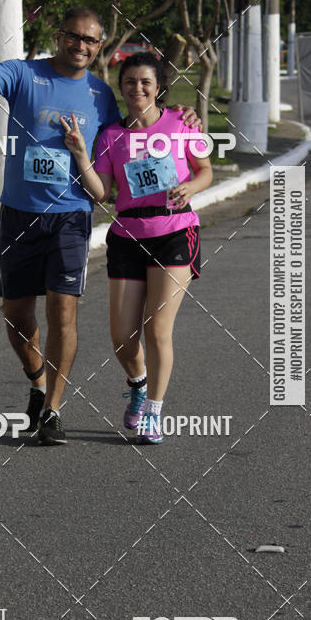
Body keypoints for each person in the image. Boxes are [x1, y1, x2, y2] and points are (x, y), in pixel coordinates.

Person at [0, 10, 200, 446]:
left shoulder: (101, 95)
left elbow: (142, 118)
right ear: (60, 36)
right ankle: (37, 382)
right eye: (74, 37)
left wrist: (181, 118)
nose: (81, 45)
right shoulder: (24, 74)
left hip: (72, 215)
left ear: (98, 46)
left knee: (63, 311)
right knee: (16, 316)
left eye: (91, 41)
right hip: (19, 212)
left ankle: (52, 409)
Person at [61, 52, 212, 444]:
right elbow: (103, 192)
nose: (138, 89)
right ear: (121, 88)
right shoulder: (112, 136)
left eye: (146, 82)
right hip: (127, 236)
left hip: (175, 232)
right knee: (122, 338)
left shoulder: (181, 123)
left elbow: (205, 170)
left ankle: (154, 413)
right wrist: (81, 155)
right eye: (130, 82)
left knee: (157, 328)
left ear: (159, 87)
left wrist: (189, 187)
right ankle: (138, 384)